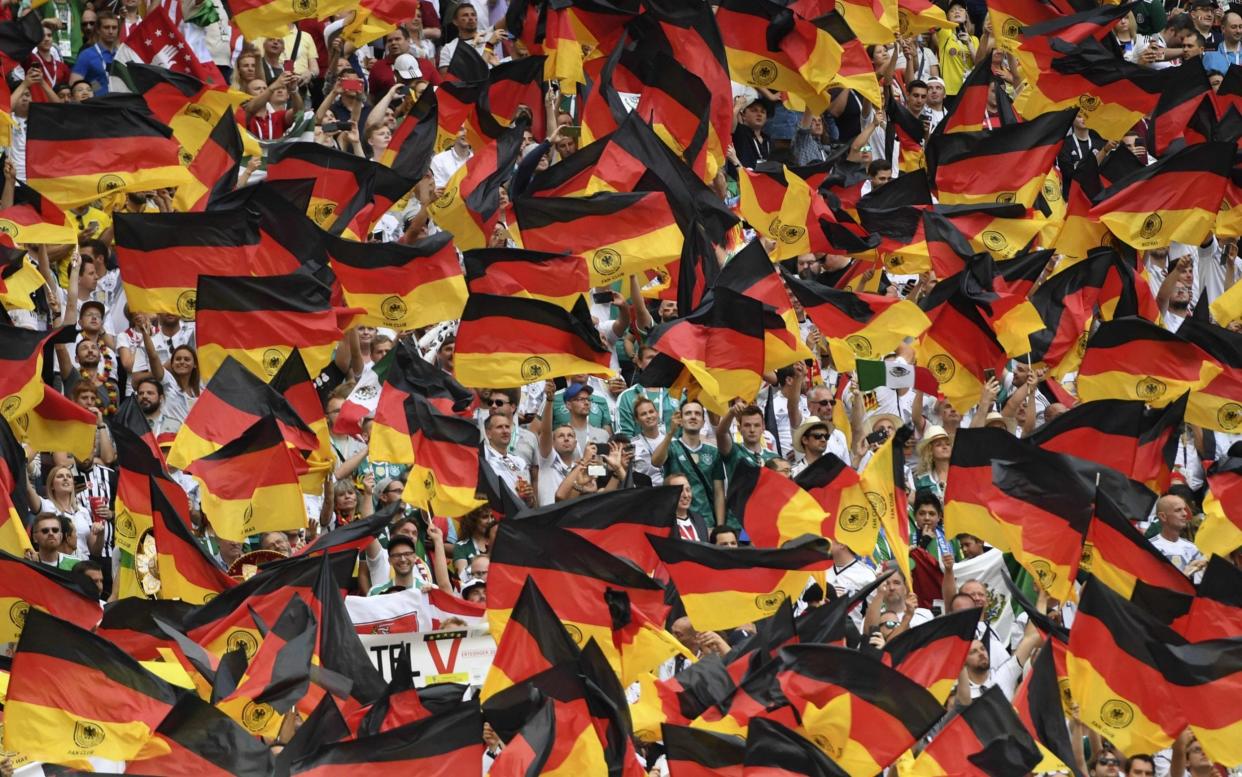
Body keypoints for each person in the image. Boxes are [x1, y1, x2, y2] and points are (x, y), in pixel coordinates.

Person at [652, 401, 725, 527]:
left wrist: (720, 527)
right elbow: (656, 462)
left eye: (697, 414)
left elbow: (718, 493)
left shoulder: (713, 452)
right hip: (677, 520)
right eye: (688, 413)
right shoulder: (672, 447)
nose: (693, 416)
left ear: (703, 421)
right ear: (681, 419)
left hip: (706, 521)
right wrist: (670, 433)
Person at [1148, 493, 1205, 575]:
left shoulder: (1192, 548)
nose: (1185, 514)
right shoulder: (1151, 547)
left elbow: (1198, 580)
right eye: (1178, 510)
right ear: (1163, 516)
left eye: (1184, 509)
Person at [70, 11, 118, 95]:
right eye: (106, 27)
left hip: (120, 103)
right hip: (97, 105)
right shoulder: (87, 55)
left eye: (114, 28)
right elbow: (73, 83)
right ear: (98, 30)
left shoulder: (121, 54)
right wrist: (97, 88)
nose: (111, 31)